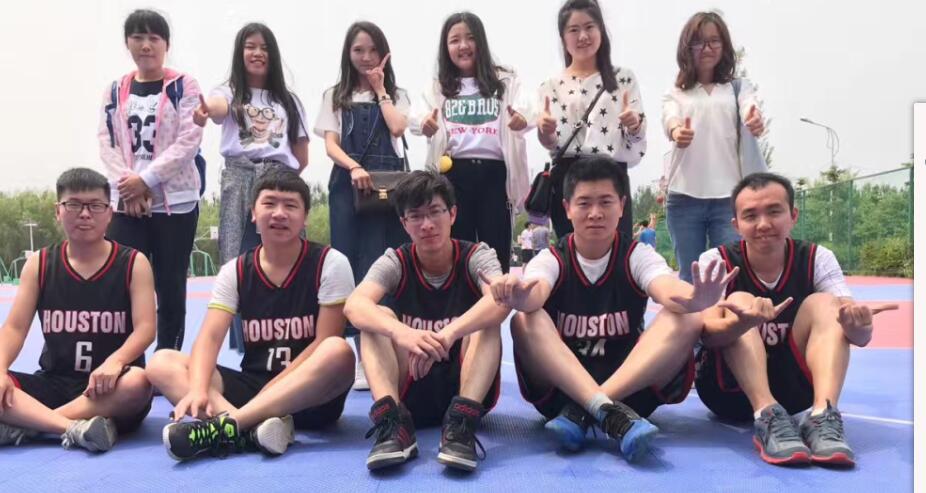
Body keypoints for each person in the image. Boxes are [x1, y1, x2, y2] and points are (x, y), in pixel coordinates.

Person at [489, 156, 734, 461]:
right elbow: (535, 294)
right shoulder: (551, 258)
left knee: (687, 317)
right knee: (525, 320)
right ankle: (604, 409)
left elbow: (666, 289)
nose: (595, 213)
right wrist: (518, 296)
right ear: (567, 208)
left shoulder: (637, 255)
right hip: (560, 393)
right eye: (584, 203)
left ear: (621, 206)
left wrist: (697, 298)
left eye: (605, 202)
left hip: (630, 391)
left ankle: (590, 406)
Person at [147, 169, 355, 461]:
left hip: (310, 395)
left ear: (305, 217)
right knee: (162, 362)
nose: (279, 213)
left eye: (290, 205)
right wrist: (197, 389)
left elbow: (324, 342)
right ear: (253, 213)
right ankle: (250, 430)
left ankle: (231, 425)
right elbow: (210, 337)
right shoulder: (235, 270)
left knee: (338, 350)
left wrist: (270, 393)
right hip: (252, 385)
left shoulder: (330, 263)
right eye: (269, 203)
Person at [695, 172, 897, 467]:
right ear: (736, 225)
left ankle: (823, 415)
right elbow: (707, 335)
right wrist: (743, 322)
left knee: (826, 304)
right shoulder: (715, 260)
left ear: (793, 216)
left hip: (795, 394)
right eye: (751, 216)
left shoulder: (817, 258)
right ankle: (765, 413)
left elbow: (856, 333)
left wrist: (860, 328)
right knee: (740, 301)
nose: (763, 224)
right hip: (728, 393)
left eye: (774, 211)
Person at [343, 171, 508, 472]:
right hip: (411, 384)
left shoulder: (477, 256)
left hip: (465, 383)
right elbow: (354, 305)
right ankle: (392, 422)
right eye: (416, 216)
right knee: (377, 318)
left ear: (452, 214)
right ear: (404, 223)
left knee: (487, 317)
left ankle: (461, 424)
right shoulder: (395, 261)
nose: (427, 224)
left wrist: (448, 334)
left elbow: (500, 301)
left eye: (435, 212)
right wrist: (403, 333)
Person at [0, 168, 156, 451]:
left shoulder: (134, 263)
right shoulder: (39, 264)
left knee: (139, 382)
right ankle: (74, 428)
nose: (85, 214)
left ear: (109, 213)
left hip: (111, 388)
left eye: (95, 206)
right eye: (73, 205)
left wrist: (117, 361)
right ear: (58, 211)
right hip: (54, 382)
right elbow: (14, 328)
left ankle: (34, 424)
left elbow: (146, 328)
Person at [193, 22, 309, 353]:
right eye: (250, 46)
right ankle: (249, 348)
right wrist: (206, 111)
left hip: (278, 177)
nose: (257, 53)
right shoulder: (229, 91)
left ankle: (293, 339)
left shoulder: (288, 101)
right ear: (240, 52)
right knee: (237, 261)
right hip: (239, 176)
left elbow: (301, 154)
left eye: (264, 47)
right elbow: (217, 107)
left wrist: (280, 182)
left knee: (288, 255)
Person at [314, 21, 411, 390]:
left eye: (373, 49)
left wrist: (380, 89)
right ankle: (357, 355)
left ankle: (389, 349)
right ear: (348, 53)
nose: (366, 56)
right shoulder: (334, 95)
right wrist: (354, 167)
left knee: (385, 263)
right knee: (348, 264)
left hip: (387, 189)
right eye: (359, 50)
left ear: (384, 53)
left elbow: (398, 128)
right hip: (347, 185)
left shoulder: (397, 94)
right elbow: (330, 144)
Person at [98, 9, 203, 350]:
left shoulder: (184, 86)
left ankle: (167, 357)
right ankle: (127, 359)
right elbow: (106, 141)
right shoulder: (115, 90)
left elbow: (189, 140)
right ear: (127, 43)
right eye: (138, 37)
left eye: (154, 38)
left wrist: (146, 181)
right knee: (124, 280)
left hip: (175, 202)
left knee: (170, 284)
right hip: (127, 201)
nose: (146, 45)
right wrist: (129, 187)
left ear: (166, 44)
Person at [412, 11, 532, 273]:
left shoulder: (505, 81)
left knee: (495, 250)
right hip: (453, 174)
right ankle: (458, 299)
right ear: (446, 47)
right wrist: (424, 124)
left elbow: (529, 110)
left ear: (481, 41)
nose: (463, 46)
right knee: (456, 248)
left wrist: (522, 119)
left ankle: (495, 298)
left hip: (495, 174)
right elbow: (416, 118)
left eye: (470, 38)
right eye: (455, 40)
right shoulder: (438, 87)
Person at [661, 11, 765, 283]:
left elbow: (749, 106)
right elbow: (669, 118)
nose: (707, 48)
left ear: (724, 46)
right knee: (690, 277)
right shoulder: (676, 93)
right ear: (687, 47)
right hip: (684, 198)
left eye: (714, 41)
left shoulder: (738, 88)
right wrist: (677, 131)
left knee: (730, 276)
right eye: (699, 42)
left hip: (729, 200)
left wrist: (753, 118)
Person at [537, 0, 646, 241]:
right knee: (569, 253)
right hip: (568, 178)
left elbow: (636, 139)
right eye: (574, 30)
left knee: (617, 252)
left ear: (601, 30)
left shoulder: (623, 78)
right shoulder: (550, 85)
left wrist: (634, 124)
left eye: (589, 27)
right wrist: (545, 131)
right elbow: (551, 143)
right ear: (563, 37)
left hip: (611, 175)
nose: (583, 36)